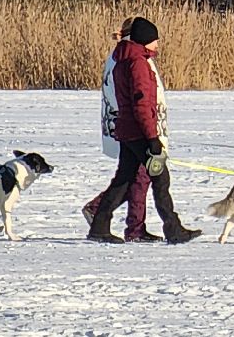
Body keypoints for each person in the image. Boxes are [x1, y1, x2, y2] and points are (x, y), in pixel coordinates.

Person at [86, 17, 202, 244]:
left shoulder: (123, 59)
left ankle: (99, 226)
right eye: (154, 39)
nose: (157, 43)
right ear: (144, 40)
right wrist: (152, 138)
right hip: (139, 131)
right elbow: (141, 104)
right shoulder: (138, 62)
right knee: (161, 178)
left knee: (124, 180)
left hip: (127, 130)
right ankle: (173, 229)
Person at [83, 19, 157, 242]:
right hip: (134, 127)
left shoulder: (125, 57)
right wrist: (151, 133)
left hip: (129, 125)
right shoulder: (132, 60)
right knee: (139, 177)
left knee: (131, 176)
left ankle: (127, 224)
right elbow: (138, 99)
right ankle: (128, 225)